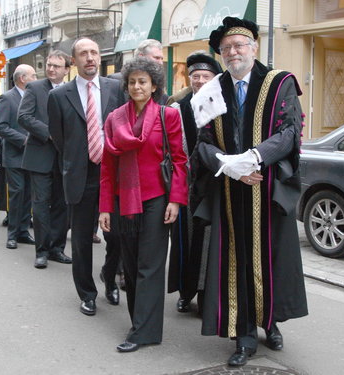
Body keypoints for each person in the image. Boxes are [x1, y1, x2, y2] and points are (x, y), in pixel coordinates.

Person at [190, 16, 308, 366]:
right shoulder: (212, 89)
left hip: (267, 187)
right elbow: (203, 143)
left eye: (239, 45)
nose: (233, 52)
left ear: (254, 48)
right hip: (231, 190)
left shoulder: (279, 82)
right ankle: (243, 336)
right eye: (226, 48)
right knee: (236, 261)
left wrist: (255, 158)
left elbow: (290, 132)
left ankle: (270, 323)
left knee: (270, 259)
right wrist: (229, 165)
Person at [99, 57, 188, 352]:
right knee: (132, 262)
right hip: (124, 201)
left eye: (143, 82)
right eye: (132, 81)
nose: (137, 86)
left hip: (156, 201)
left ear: (154, 86)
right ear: (126, 85)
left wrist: (175, 200)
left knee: (150, 266)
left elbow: (178, 160)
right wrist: (104, 208)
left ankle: (143, 331)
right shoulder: (114, 119)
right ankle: (139, 320)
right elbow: (107, 169)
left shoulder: (168, 116)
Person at [48, 37, 125, 316]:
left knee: (116, 234)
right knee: (81, 239)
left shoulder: (116, 89)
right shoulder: (58, 96)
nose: (90, 57)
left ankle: (110, 275)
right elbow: (58, 137)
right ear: (74, 61)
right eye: (83, 53)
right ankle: (87, 293)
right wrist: (77, 158)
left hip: (113, 172)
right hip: (80, 174)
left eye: (94, 52)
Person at [167, 51, 222, 313]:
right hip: (186, 185)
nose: (199, 80)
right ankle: (186, 291)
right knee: (186, 241)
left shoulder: (222, 103)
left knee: (210, 241)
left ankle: (206, 294)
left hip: (214, 184)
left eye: (205, 76)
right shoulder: (179, 106)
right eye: (195, 76)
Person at [18, 51, 72, 269]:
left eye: (57, 66)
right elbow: (23, 117)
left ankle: (56, 248)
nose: (51, 69)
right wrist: (49, 132)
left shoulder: (73, 89)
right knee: (40, 206)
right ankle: (41, 250)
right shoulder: (35, 88)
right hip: (40, 156)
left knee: (63, 205)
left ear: (67, 69)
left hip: (66, 158)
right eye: (49, 65)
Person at [0, 64, 37, 249]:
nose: (36, 79)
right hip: (15, 155)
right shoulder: (7, 98)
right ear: (22, 78)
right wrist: (23, 139)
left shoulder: (34, 97)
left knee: (28, 193)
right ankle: (12, 234)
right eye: (33, 76)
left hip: (32, 156)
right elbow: (0, 127)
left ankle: (23, 231)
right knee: (17, 193)